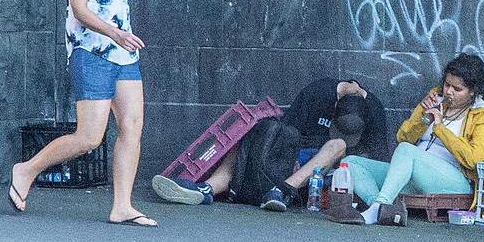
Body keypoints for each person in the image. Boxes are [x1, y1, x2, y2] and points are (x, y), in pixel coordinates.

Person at [7, 0, 157, 227]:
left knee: (132, 126)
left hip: (123, 55)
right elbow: (79, 9)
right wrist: (115, 33)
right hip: (92, 53)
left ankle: (122, 205)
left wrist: (121, 38)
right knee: (89, 137)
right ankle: (26, 169)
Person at [152, 78, 389, 212]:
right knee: (250, 128)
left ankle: (282, 192)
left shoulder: (374, 110)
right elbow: (287, 130)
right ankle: (208, 189)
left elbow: (378, 156)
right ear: (336, 104)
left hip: (322, 167)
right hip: (292, 151)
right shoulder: (318, 92)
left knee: (338, 144)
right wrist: (292, 158)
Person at [339, 53, 484, 226]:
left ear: (473, 92)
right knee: (350, 163)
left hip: (454, 181)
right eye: (446, 84)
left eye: (457, 89)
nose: (448, 92)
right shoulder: (436, 98)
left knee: (407, 150)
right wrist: (423, 115)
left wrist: (440, 129)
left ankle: (379, 205)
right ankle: (380, 209)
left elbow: (475, 159)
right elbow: (402, 137)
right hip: (414, 175)